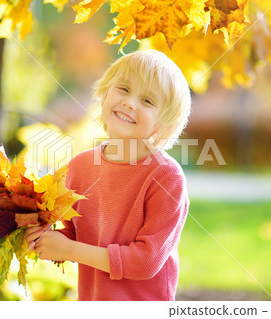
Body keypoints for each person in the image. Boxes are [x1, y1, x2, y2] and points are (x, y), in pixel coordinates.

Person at [25, 50, 192, 301]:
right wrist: (47, 239)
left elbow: (146, 261)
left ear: (163, 126)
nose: (130, 102)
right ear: (103, 97)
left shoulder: (166, 177)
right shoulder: (81, 166)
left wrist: (71, 250)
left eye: (147, 101)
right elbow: (74, 232)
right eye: (124, 89)